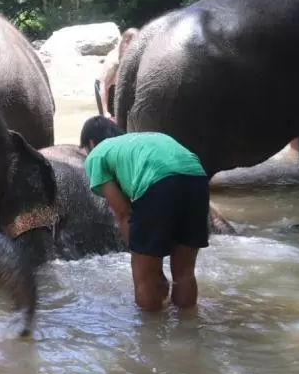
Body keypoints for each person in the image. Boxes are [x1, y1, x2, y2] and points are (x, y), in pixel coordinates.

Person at [80, 115, 210, 312]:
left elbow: (124, 214)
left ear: (90, 142)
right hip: (197, 178)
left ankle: (150, 337)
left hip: (159, 183)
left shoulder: (96, 155)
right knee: (184, 272)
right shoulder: (139, 142)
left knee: (145, 276)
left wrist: (144, 260)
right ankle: (188, 333)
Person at [94, 28, 139, 120]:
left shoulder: (132, 54)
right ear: (127, 43)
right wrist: (105, 111)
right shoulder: (114, 62)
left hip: (117, 85)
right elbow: (104, 86)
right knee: (109, 120)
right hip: (105, 86)